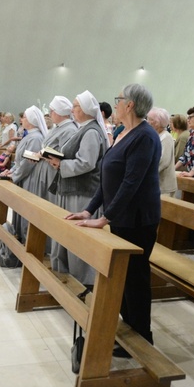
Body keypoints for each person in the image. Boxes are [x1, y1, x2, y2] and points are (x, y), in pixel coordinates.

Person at [66, 83, 161, 356]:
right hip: (123, 217)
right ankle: (127, 332)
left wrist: (105, 217)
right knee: (123, 275)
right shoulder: (123, 132)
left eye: (119, 99)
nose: (115, 103)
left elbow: (131, 183)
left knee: (135, 278)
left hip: (138, 219)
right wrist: (89, 210)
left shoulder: (144, 136)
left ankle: (142, 337)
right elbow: (109, 179)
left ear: (130, 105)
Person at [47, 90, 109, 286]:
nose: (72, 109)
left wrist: (61, 164)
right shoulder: (84, 128)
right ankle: (67, 273)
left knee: (77, 238)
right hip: (73, 188)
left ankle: (83, 279)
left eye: (75, 106)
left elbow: (87, 163)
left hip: (83, 192)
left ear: (84, 110)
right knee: (68, 234)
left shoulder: (91, 131)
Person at [2, 105, 48, 241]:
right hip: (23, 175)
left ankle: (26, 239)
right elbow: (20, 160)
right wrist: (10, 171)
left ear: (32, 120)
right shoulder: (29, 136)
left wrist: (14, 175)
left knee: (26, 210)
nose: (21, 120)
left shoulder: (35, 138)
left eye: (24, 117)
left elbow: (29, 162)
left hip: (29, 178)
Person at [31, 96, 78, 202]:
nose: (50, 113)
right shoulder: (57, 127)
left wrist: (42, 154)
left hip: (53, 171)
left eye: (52, 111)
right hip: (45, 168)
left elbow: (65, 153)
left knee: (49, 202)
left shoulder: (69, 129)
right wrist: (39, 154)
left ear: (59, 112)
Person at [147, 107, 177, 196]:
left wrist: (147, 172)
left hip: (164, 185)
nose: (148, 122)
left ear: (158, 122)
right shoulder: (155, 135)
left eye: (151, 120)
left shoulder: (166, 137)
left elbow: (163, 161)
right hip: (155, 182)